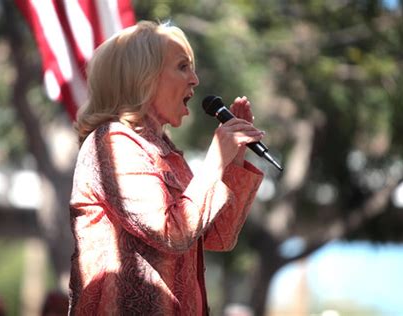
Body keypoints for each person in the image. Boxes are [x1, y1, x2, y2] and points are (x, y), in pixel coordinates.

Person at [69, 20, 264, 315]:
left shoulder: (166, 151)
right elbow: (173, 231)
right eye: (182, 66)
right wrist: (215, 159)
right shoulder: (113, 142)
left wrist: (233, 159)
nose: (195, 80)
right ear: (143, 77)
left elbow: (219, 237)